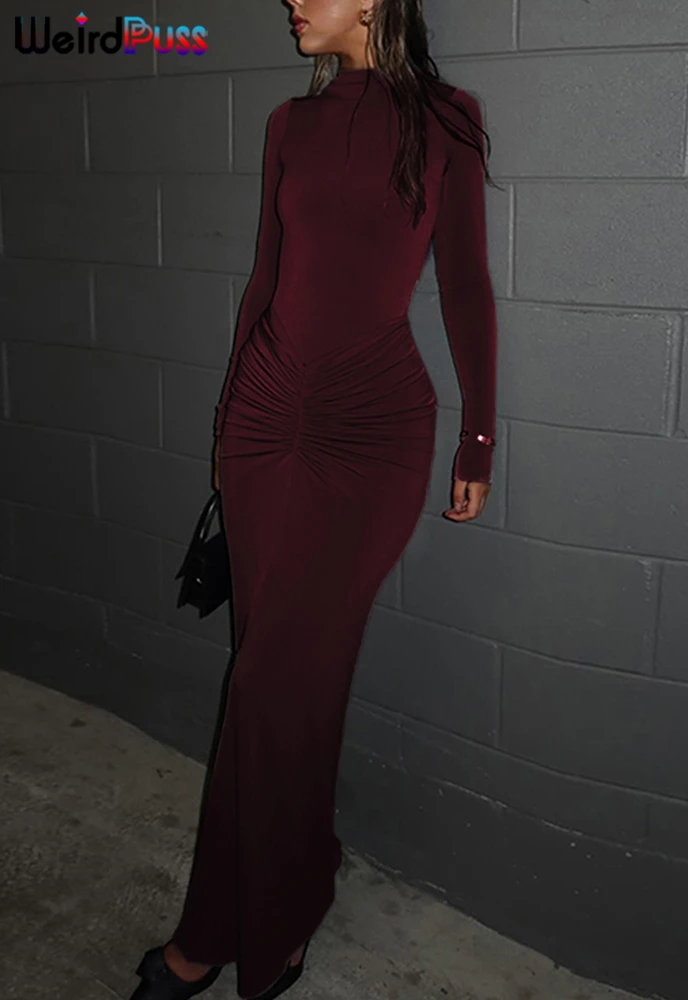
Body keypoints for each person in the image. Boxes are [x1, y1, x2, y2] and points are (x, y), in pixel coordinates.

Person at [129, 0, 498, 998]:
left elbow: (466, 284)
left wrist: (479, 436)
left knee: (270, 685)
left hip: (370, 432)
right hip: (263, 421)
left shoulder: (449, 119)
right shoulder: (287, 125)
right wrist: (225, 423)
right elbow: (265, 276)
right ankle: (287, 890)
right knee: (280, 684)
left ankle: (222, 928)